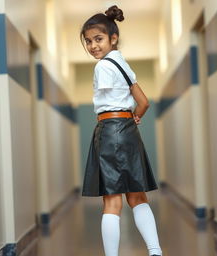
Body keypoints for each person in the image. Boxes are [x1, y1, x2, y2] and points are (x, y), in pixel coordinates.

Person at [80, 5, 162, 256]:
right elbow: (144, 102)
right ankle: (155, 251)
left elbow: (108, 100)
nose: (93, 46)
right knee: (137, 196)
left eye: (98, 39)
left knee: (112, 201)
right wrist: (134, 117)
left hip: (109, 131)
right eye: (88, 41)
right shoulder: (124, 64)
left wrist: (116, 123)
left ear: (113, 38)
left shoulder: (103, 66)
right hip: (128, 131)